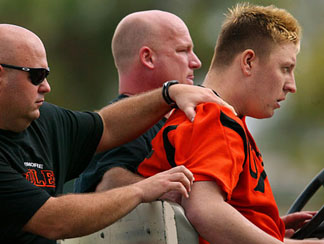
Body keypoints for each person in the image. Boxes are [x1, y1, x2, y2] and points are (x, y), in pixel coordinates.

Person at [0, 23, 224, 244]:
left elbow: (106, 125)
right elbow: (52, 219)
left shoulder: (44, 120)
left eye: (46, 74)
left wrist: (169, 93)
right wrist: (141, 189)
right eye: (37, 76)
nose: (46, 86)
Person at [137, 3, 324, 244]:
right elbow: (205, 211)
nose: (291, 85)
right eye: (285, 68)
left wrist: (272, 229)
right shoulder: (214, 119)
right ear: (248, 62)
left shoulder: (218, 118)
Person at [74, 10, 203, 195]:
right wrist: (183, 195)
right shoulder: (126, 124)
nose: (196, 62)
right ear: (148, 58)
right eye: (183, 50)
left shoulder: (161, 121)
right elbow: (107, 184)